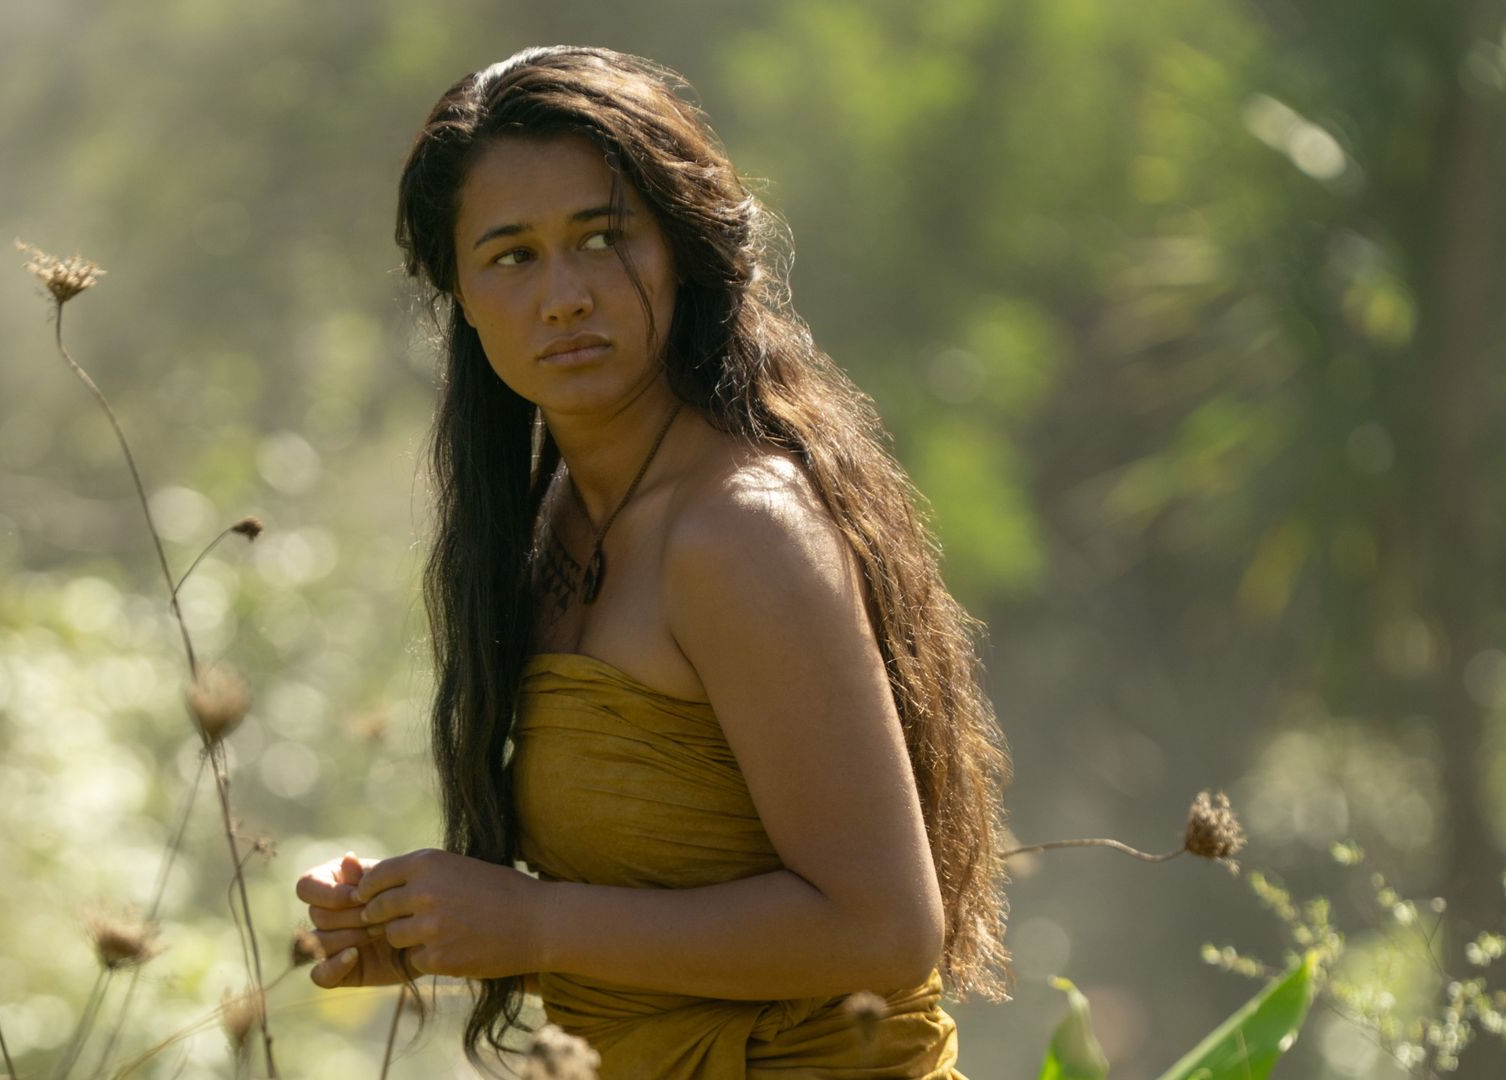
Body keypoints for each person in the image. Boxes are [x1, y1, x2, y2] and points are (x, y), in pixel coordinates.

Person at [296, 45, 1014, 1078]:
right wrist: (423, 927)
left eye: (602, 237)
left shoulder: (738, 531)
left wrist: (533, 924)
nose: (564, 296)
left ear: (681, 248)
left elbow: (884, 930)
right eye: (512, 255)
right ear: (457, 291)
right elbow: (652, 900)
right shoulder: (554, 518)